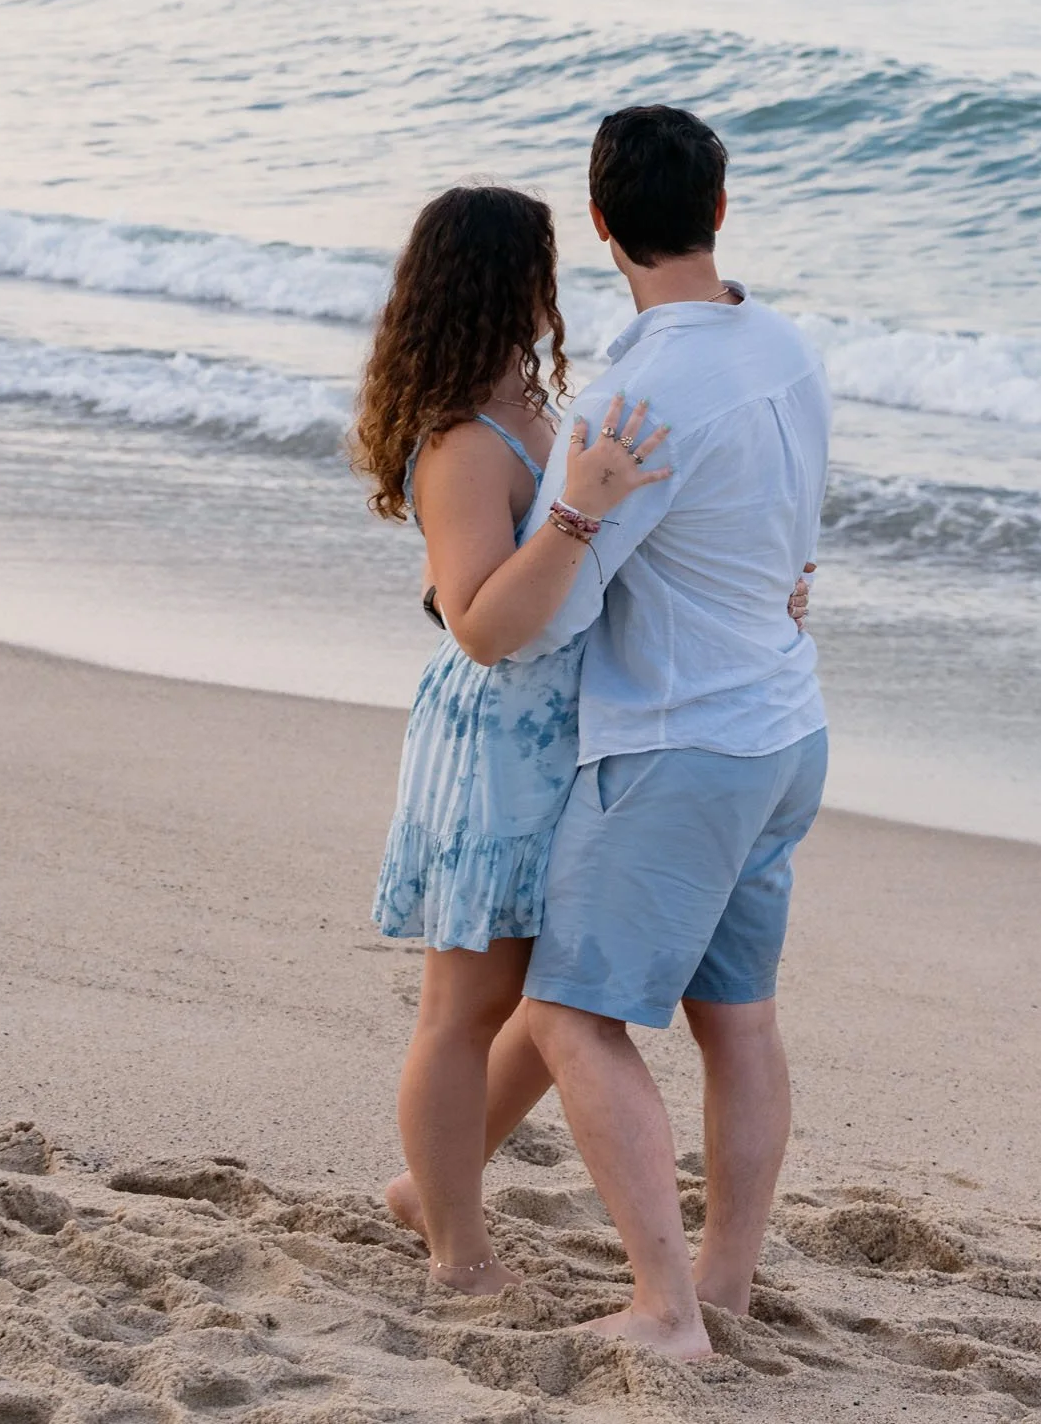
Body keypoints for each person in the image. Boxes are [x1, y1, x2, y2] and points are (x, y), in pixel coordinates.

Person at [519, 104, 831, 1360]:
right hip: (784, 724)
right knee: (738, 1021)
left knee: (569, 1016)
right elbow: (793, 520)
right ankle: (728, 1282)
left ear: (599, 226)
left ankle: (663, 1307)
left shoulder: (630, 400)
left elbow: (552, 609)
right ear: (718, 207)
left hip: (676, 743)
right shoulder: (784, 346)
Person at [353, 184, 671, 1292]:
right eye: (542, 267)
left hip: (567, 731)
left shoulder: (533, 409)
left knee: (555, 997)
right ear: (510, 281)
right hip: (496, 737)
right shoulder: (460, 444)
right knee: (467, 1006)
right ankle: (452, 1248)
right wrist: (578, 509)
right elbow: (482, 625)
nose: (555, 291)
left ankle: (421, 1188)